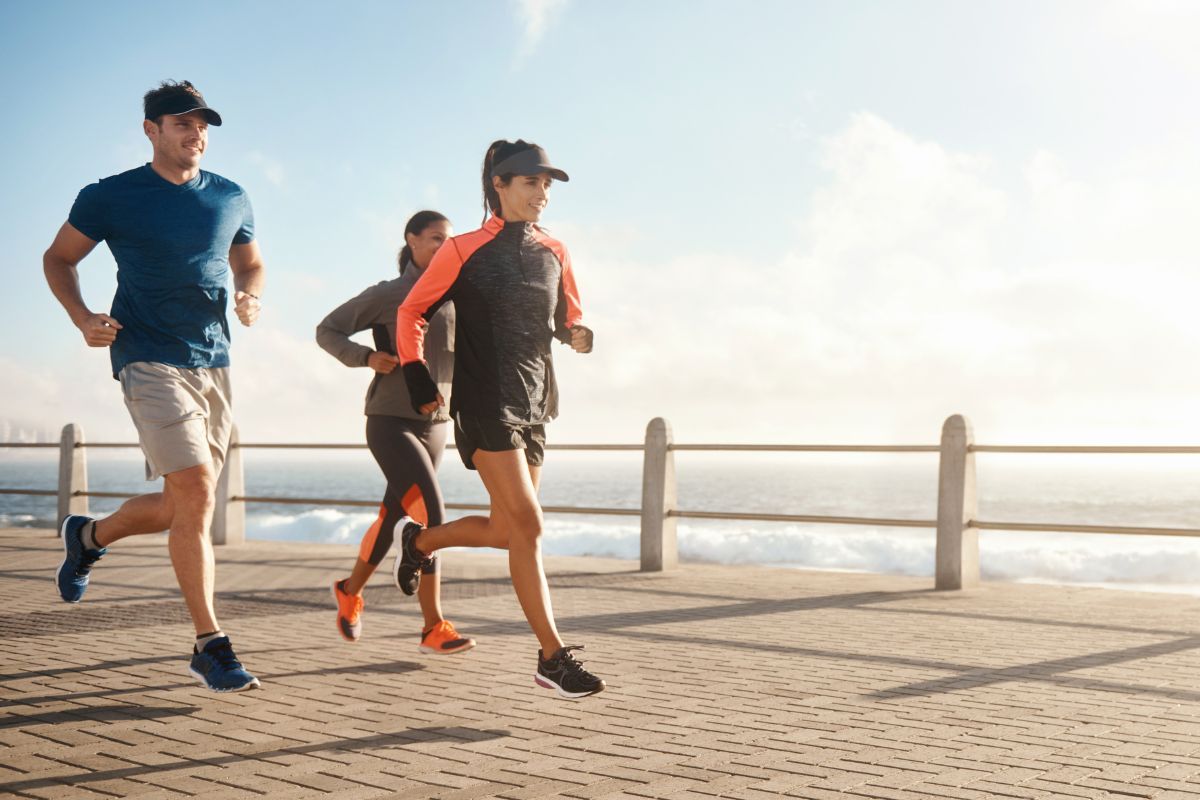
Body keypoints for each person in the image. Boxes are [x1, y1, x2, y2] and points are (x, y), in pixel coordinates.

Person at [42, 80, 265, 693]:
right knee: (194, 491)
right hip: (144, 353)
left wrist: (251, 295)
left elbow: (251, 262)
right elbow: (58, 258)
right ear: (151, 130)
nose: (196, 134)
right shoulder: (110, 196)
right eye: (182, 123)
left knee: (181, 505)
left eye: (203, 125)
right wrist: (83, 317)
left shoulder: (230, 196)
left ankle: (88, 537)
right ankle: (209, 643)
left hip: (212, 361)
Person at [392, 139, 604, 699]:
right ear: (499, 186)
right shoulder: (462, 249)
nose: (542, 193)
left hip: (536, 404)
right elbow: (412, 311)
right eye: (531, 183)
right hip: (484, 403)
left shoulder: (555, 250)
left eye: (547, 185)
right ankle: (552, 657)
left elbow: (569, 316)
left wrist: (577, 334)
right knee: (530, 527)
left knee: (507, 529)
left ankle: (419, 542)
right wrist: (416, 375)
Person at [316, 210, 475, 655]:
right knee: (430, 517)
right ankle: (432, 625)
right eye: (434, 239)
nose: (444, 247)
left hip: (436, 425)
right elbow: (326, 330)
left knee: (392, 518)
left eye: (449, 240)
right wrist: (365, 357)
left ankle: (350, 589)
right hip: (389, 420)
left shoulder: (459, 294)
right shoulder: (389, 294)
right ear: (412, 241)